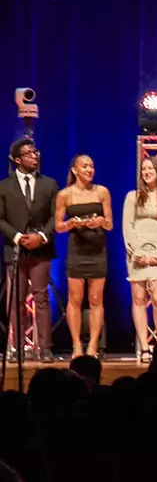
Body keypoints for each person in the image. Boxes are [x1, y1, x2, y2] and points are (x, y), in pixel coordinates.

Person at [0, 138, 58, 362]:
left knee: (41, 297)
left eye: (36, 152)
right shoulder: (4, 186)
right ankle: (18, 348)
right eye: (29, 153)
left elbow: (55, 216)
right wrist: (17, 237)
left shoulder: (49, 184)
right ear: (17, 159)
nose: (35, 156)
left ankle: (44, 348)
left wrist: (41, 236)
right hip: (15, 250)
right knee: (17, 300)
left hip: (40, 249)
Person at [55, 155, 113, 359]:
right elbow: (58, 226)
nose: (90, 169)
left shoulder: (102, 192)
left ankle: (93, 346)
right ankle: (77, 345)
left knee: (96, 299)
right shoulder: (65, 195)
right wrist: (72, 224)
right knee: (75, 298)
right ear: (74, 170)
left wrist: (99, 222)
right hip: (77, 251)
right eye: (85, 166)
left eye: (92, 166)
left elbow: (110, 224)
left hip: (97, 250)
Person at [122, 157, 157, 363]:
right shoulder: (132, 197)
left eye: (150, 168)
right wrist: (137, 253)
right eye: (143, 169)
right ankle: (145, 348)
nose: (146, 172)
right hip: (137, 254)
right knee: (138, 298)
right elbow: (128, 226)